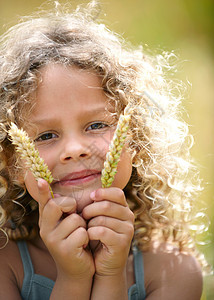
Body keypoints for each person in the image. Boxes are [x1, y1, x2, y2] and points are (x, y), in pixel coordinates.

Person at [0, 2, 208, 299]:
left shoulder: (172, 269)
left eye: (96, 125)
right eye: (46, 135)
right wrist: (74, 278)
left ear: (136, 140)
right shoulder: (5, 261)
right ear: (13, 162)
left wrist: (112, 274)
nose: (74, 150)